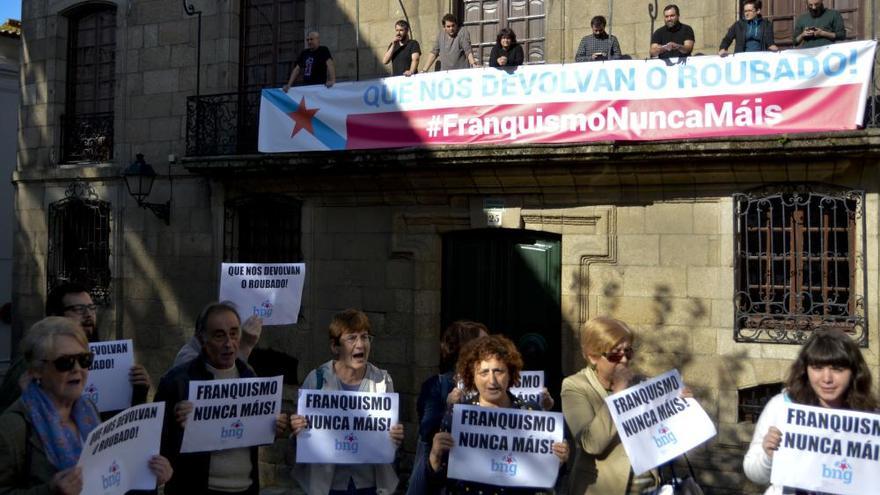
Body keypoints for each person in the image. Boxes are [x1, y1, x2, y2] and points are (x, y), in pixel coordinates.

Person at [0, 317, 172, 494]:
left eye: (84, 359)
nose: (77, 369)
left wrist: (147, 477)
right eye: (64, 362)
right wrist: (50, 491)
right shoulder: (12, 428)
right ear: (36, 370)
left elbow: (108, 480)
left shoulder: (89, 409)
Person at [155, 302, 287, 495]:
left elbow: (253, 431)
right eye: (219, 335)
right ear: (202, 338)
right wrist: (179, 423)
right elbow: (158, 445)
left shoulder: (249, 377)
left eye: (234, 333)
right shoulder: (177, 382)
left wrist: (275, 427)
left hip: (246, 488)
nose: (228, 343)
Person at [426, 334, 569, 494]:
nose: (492, 381)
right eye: (484, 372)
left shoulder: (530, 412)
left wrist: (558, 460)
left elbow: (545, 478)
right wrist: (435, 456)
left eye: (498, 371)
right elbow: (436, 482)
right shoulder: (456, 417)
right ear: (472, 376)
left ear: (510, 374)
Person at [743, 329, 877, 494]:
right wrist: (768, 455)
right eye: (817, 367)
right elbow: (753, 473)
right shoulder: (782, 407)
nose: (827, 378)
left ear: (854, 372)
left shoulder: (871, 419)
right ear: (805, 369)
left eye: (837, 369)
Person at [290, 309, 404, 494]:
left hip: (369, 485)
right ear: (335, 347)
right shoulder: (316, 379)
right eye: (352, 338)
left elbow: (388, 439)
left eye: (365, 337)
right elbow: (301, 440)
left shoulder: (383, 381)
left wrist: (395, 437)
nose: (360, 345)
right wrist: (297, 429)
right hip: (330, 485)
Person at [0, 283, 152, 415]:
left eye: (92, 308)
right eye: (78, 309)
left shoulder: (112, 365)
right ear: (55, 316)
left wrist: (138, 392)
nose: (88, 315)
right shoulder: (29, 365)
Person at [561, 317, 658, 494]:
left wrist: (678, 398)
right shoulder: (575, 386)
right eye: (615, 354)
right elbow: (591, 444)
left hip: (646, 487)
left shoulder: (639, 383)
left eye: (628, 352)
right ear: (592, 356)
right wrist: (618, 394)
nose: (623, 360)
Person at [406, 320, 488, 495]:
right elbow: (427, 431)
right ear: (465, 350)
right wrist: (449, 409)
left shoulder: (493, 384)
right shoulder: (437, 385)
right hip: (444, 480)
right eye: (483, 345)